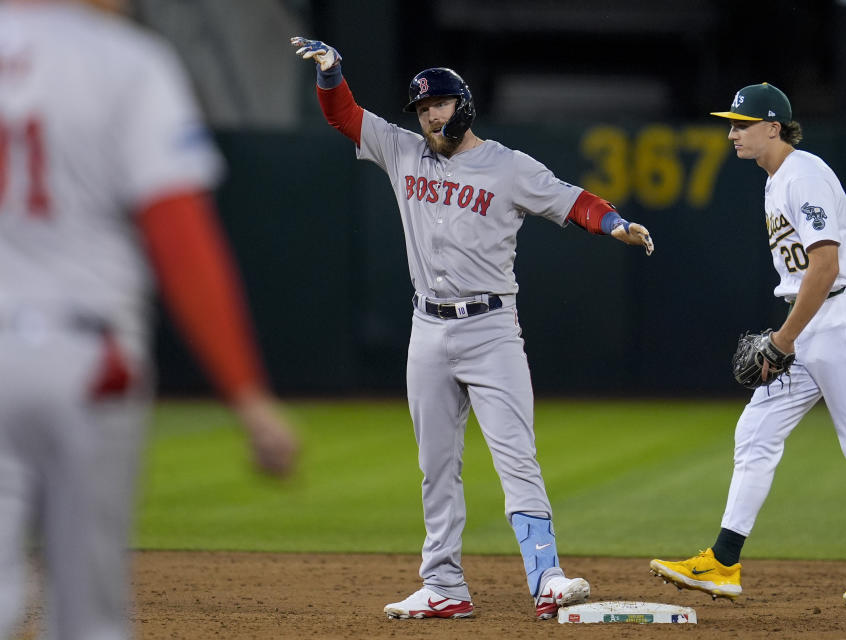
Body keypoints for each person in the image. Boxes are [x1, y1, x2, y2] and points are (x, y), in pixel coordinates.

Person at [290, 37, 654, 620]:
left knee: (516, 456)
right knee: (436, 466)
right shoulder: (403, 151)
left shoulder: (507, 166)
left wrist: (613, 222)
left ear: (463, 103)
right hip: (427, 330)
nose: (431, 116)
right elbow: (344, 116)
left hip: (491, 329)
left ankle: (547, 579)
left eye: (439, 103)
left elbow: (570, 199)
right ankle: (443, 586)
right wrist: (332, 72)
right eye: (423, 108)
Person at [0, 1, 299, 638]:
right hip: (86, 361)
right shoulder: (126, 60)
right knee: (88, 617)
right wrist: (247, 396)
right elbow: (179, 237)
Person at [649, 83, 846, 607]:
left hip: (842, 321)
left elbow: (826, 266)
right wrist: (792, 337)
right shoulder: (779, 179)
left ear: (773, 127)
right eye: (731, 123)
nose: (732, 132)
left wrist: (781, 341)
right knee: (755, 430)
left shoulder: (802, 175)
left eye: (742, 123)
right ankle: (722, 561)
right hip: (816, 325)